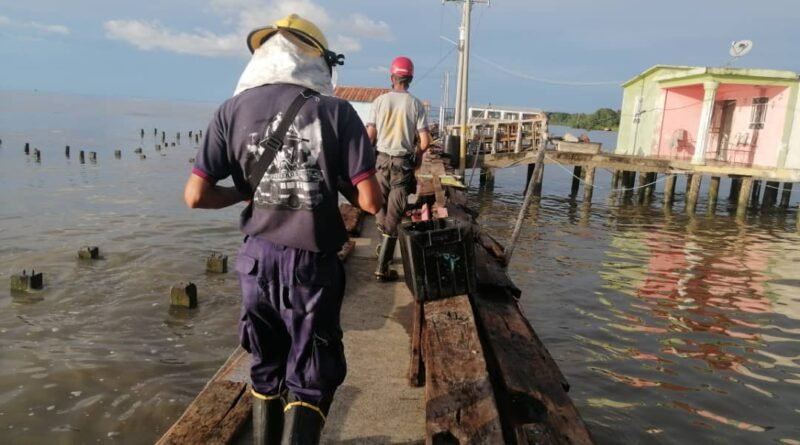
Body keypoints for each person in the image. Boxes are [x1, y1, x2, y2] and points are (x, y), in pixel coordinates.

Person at [183, 14, 382, 445]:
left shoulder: (230, 110)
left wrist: (243, 193)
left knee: (265, 365)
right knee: (311, 372)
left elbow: (195, 196)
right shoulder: (336, 111)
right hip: (309, 266)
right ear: (318, 60)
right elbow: (369, 202)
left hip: (255, 259)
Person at [366, 56, 431, 282]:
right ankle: (383, 265)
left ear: (392, 77)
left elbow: (370, 136)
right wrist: (417, 158)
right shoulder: (415, 105)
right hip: (403, 164)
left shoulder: (379, 102)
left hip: (381, 161)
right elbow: (424, 142)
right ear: (410, 78)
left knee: (378, 204)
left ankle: (383, 248)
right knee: (396, 210)